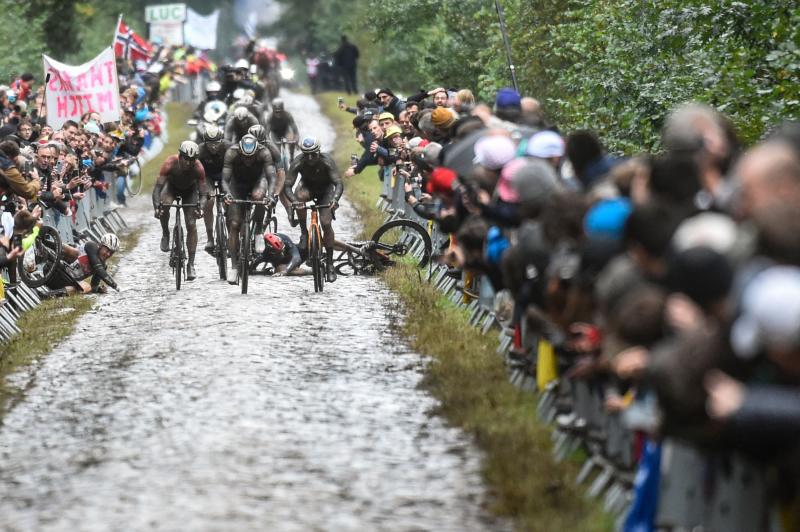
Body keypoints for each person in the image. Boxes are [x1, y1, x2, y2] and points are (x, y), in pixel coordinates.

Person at [284, 136, 343, 283]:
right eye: (306, 155)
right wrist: (295, 202)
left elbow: (338, 183)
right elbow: (287, 185)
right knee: (299, 196)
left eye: (313, 154)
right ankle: (304, 232)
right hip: (307, 188)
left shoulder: (327, 161)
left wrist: (335, 200)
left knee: (326, 223)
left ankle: (329, 264)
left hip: (326, 190)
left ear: (319, 151)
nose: (310, 158)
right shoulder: (298, 161)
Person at [222, 134, 278, 284]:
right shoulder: (232, 152)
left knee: (260, 196)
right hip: (237, 185)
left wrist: (271, 195)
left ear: (256, 151)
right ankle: (234, 266)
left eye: (251, 157)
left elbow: (271, 177)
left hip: (257, 182)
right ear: (240, 151)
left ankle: (259, 230)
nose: (248, 161)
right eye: (245, 157)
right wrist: (227, 194)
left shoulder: (264, 152)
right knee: (234, 224)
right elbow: (225, 179)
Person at [153, 141, 206, 281]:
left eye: (192, 160)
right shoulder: (170, 163)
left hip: (190, 191)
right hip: (171, 187)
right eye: (186, 159)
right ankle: (165, 233)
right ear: (180, 156)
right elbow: (157, 188)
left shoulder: (199, 168)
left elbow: (203, 194)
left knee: (191, 224)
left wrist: (201, 207)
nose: (188, 163)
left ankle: (191, 264)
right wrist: (156, 207)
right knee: (165, 205)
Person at [46, 232, 120, 296]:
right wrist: (115, 286)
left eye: (111, 252)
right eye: (107, 250)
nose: (108, 254)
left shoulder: (103, 266)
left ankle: (49, 295)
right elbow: (98, 268)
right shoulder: (92, 246)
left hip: (63, 282)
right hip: (54, 269)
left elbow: (93, 287)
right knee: (74, 252)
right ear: (100, 246)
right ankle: (45, 245)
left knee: (87, 287)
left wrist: (99, 289)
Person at [197, 124, 231, 255]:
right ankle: (210, 238)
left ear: (221, 141)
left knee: (228, 203)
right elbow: (196, 173)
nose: (213, 146)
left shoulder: (229, 147)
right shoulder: (200, 150)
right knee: (209, 200)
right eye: (209, 143)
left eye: (216, 143)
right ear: (205, 142)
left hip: (225, 176)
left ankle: (230, 236)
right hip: (208, 177)